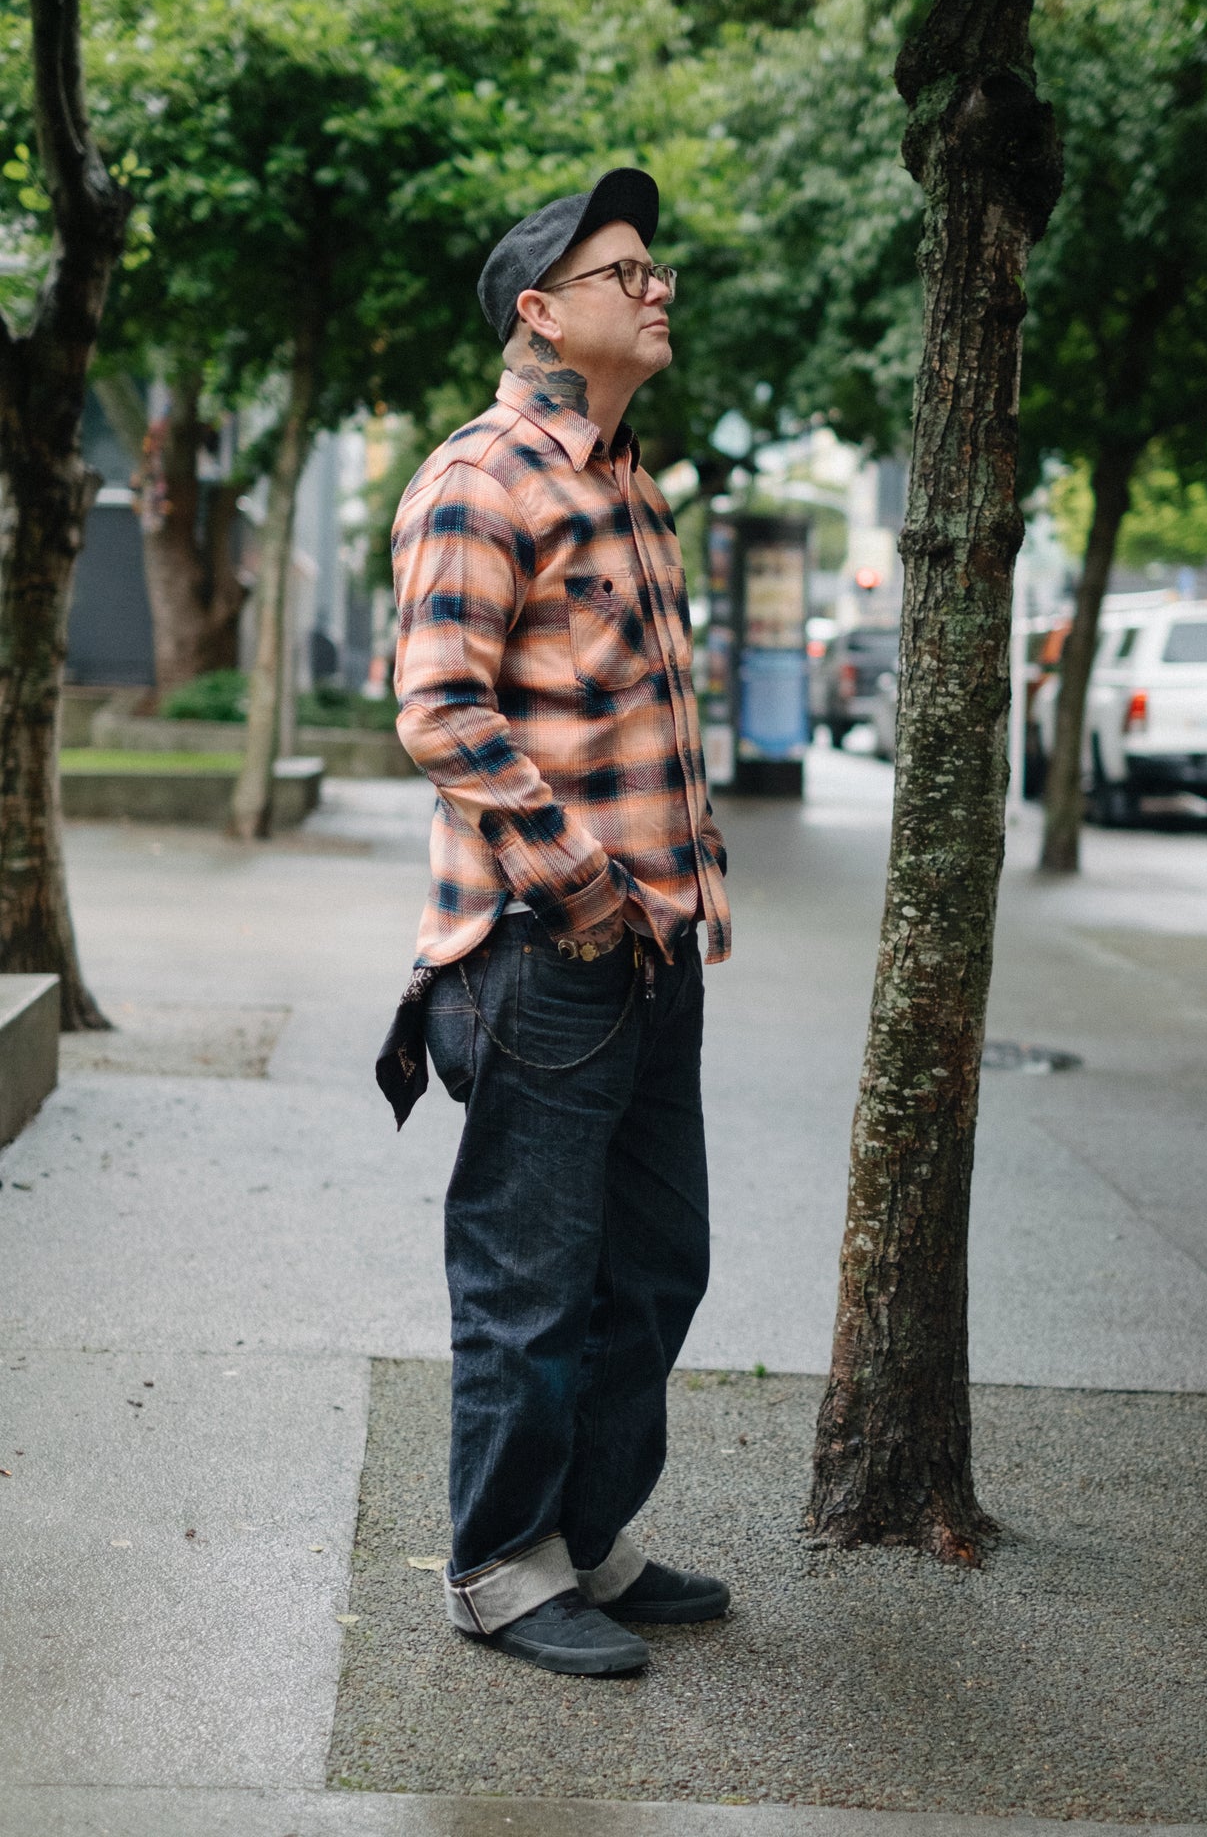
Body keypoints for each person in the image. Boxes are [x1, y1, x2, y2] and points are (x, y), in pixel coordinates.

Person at [378, 169, 731, 1678]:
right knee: (529, 1285)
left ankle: (584, 1534)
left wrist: (683, 892)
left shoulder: (628, 479)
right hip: (546, 953)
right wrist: (582, 884)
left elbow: (642, 719)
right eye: (625, 271)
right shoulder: (482, 477)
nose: (656, 289)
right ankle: (497, 1567)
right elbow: (438, 712)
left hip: (652, 951)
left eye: (656, 269)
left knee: (655, 1269)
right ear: (542, 310)